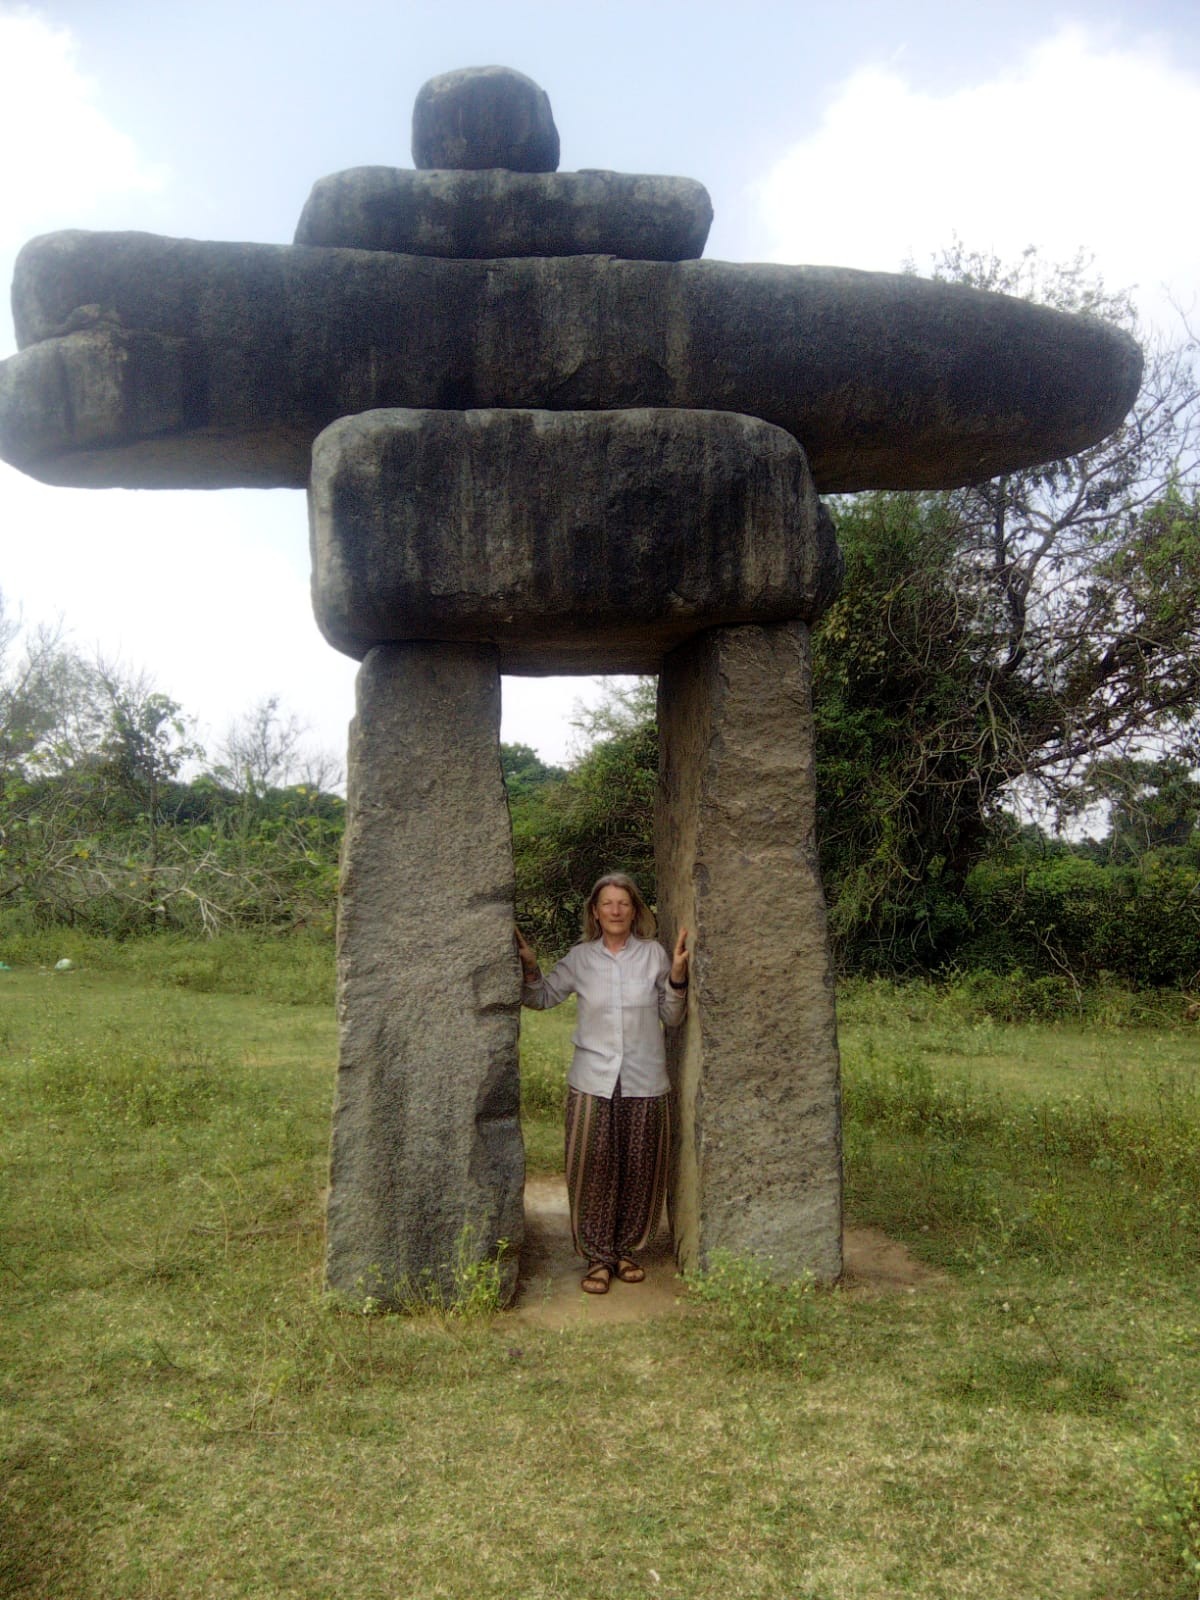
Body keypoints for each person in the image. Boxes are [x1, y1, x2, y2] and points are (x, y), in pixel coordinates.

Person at [515, 873, 689, 1295]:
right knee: (592, 1168)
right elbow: (541, 998)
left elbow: (672, 1017)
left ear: (635, 910)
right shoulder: (580, 958)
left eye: (623, 904)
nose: (615, 911)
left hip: (645, 1079)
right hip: (592, 1081)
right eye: (607, 903)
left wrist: (678, 975)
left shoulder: (654, 956)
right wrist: (531, 965)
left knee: (640, 1168)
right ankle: (597, 1256)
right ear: (595, 911)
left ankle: (627, 1249)